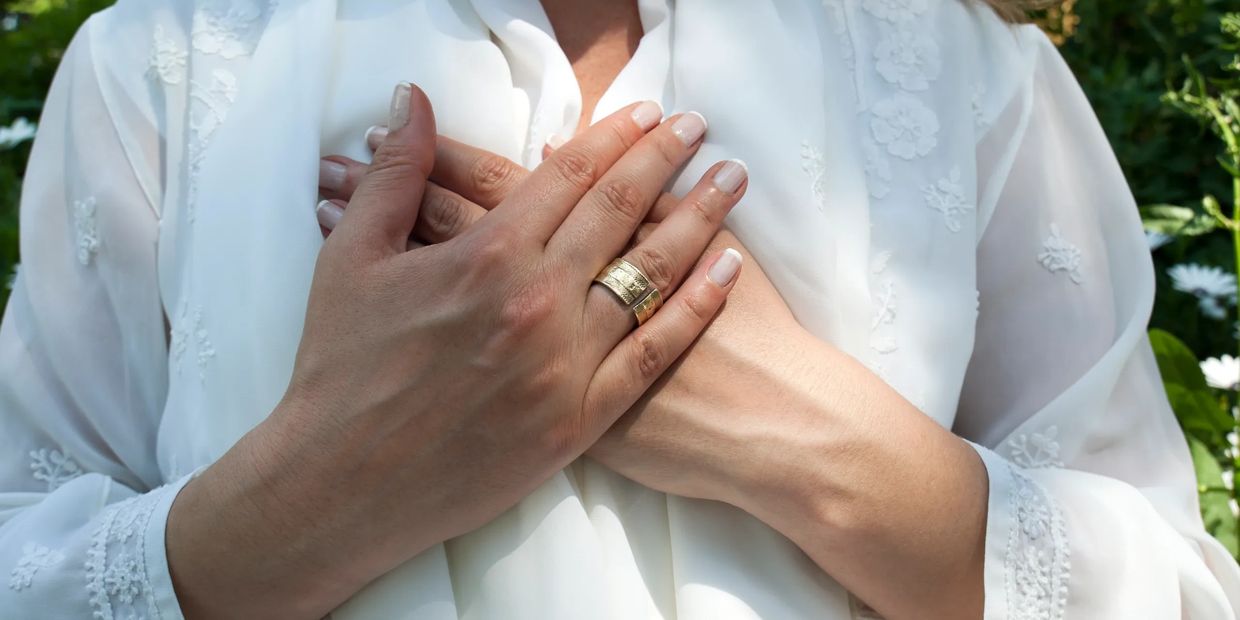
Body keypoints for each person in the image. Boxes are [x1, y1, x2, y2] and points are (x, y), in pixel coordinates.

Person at [2, 0, 1238, 619]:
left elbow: (1177, 589)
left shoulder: (957, 64)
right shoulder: (162, 62)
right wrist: (326, 483)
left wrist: (810, 439)